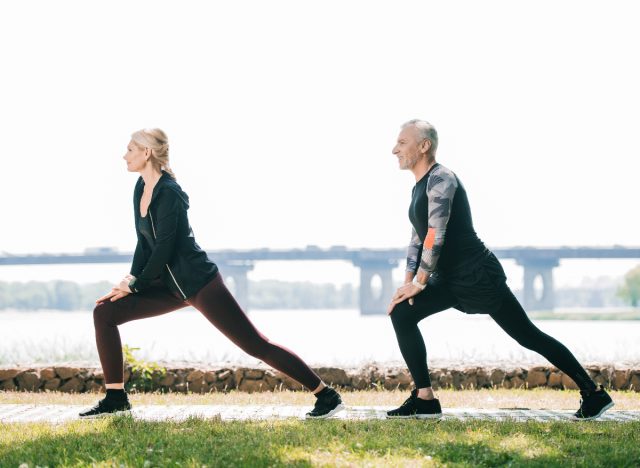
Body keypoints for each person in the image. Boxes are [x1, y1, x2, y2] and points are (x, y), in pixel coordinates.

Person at [79, 128, 344, 419]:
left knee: (256, 345)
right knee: (104, 312)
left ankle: (326, 395)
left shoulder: (170, 192)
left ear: (147, 152)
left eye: (130, 149)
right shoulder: (140, 188)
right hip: (168, 286)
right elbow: (144, 243)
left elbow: (165, 248)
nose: (124, 155)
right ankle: (116, 398)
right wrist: (131, 280)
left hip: (199, 282)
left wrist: (138, 284)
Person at [386, 119, 614, 421]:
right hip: (448, 278)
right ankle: (425, 398)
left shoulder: (442, 179)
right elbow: (417, 237)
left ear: (424, 145)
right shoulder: (418, 187)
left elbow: (435, 233)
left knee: (528, 336)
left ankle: (593, 393)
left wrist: (421, 281)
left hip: (477, 275)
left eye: (402, 143)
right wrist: (407, 284)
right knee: (402, 313)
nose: (394, 150)